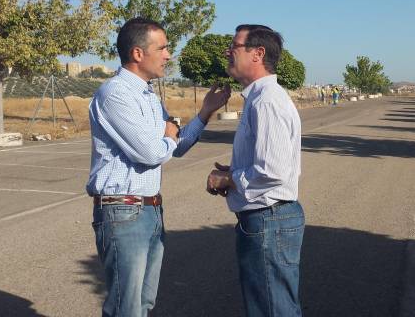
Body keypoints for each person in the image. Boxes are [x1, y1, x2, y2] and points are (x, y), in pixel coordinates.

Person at [87, 17, 230, 317]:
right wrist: (168, 134)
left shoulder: (148, 95)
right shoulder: (116, 94)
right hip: (123, 211)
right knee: (125, 307)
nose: (168, 55)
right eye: (162, 48)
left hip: (149, 209)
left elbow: (174, 147)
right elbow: (151, 152)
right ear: (138, 54)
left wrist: (204, 113)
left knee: (143, 303)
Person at [206, 24, 304, 317]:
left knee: (272, 309)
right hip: (266, 218)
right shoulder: (259, 99)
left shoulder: (267, 102)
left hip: (268, 218)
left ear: (257, 54)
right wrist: (236, 172)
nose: (228, 51)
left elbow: (272, 170)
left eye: (235, 46)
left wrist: (228, 178)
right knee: (271, 306)